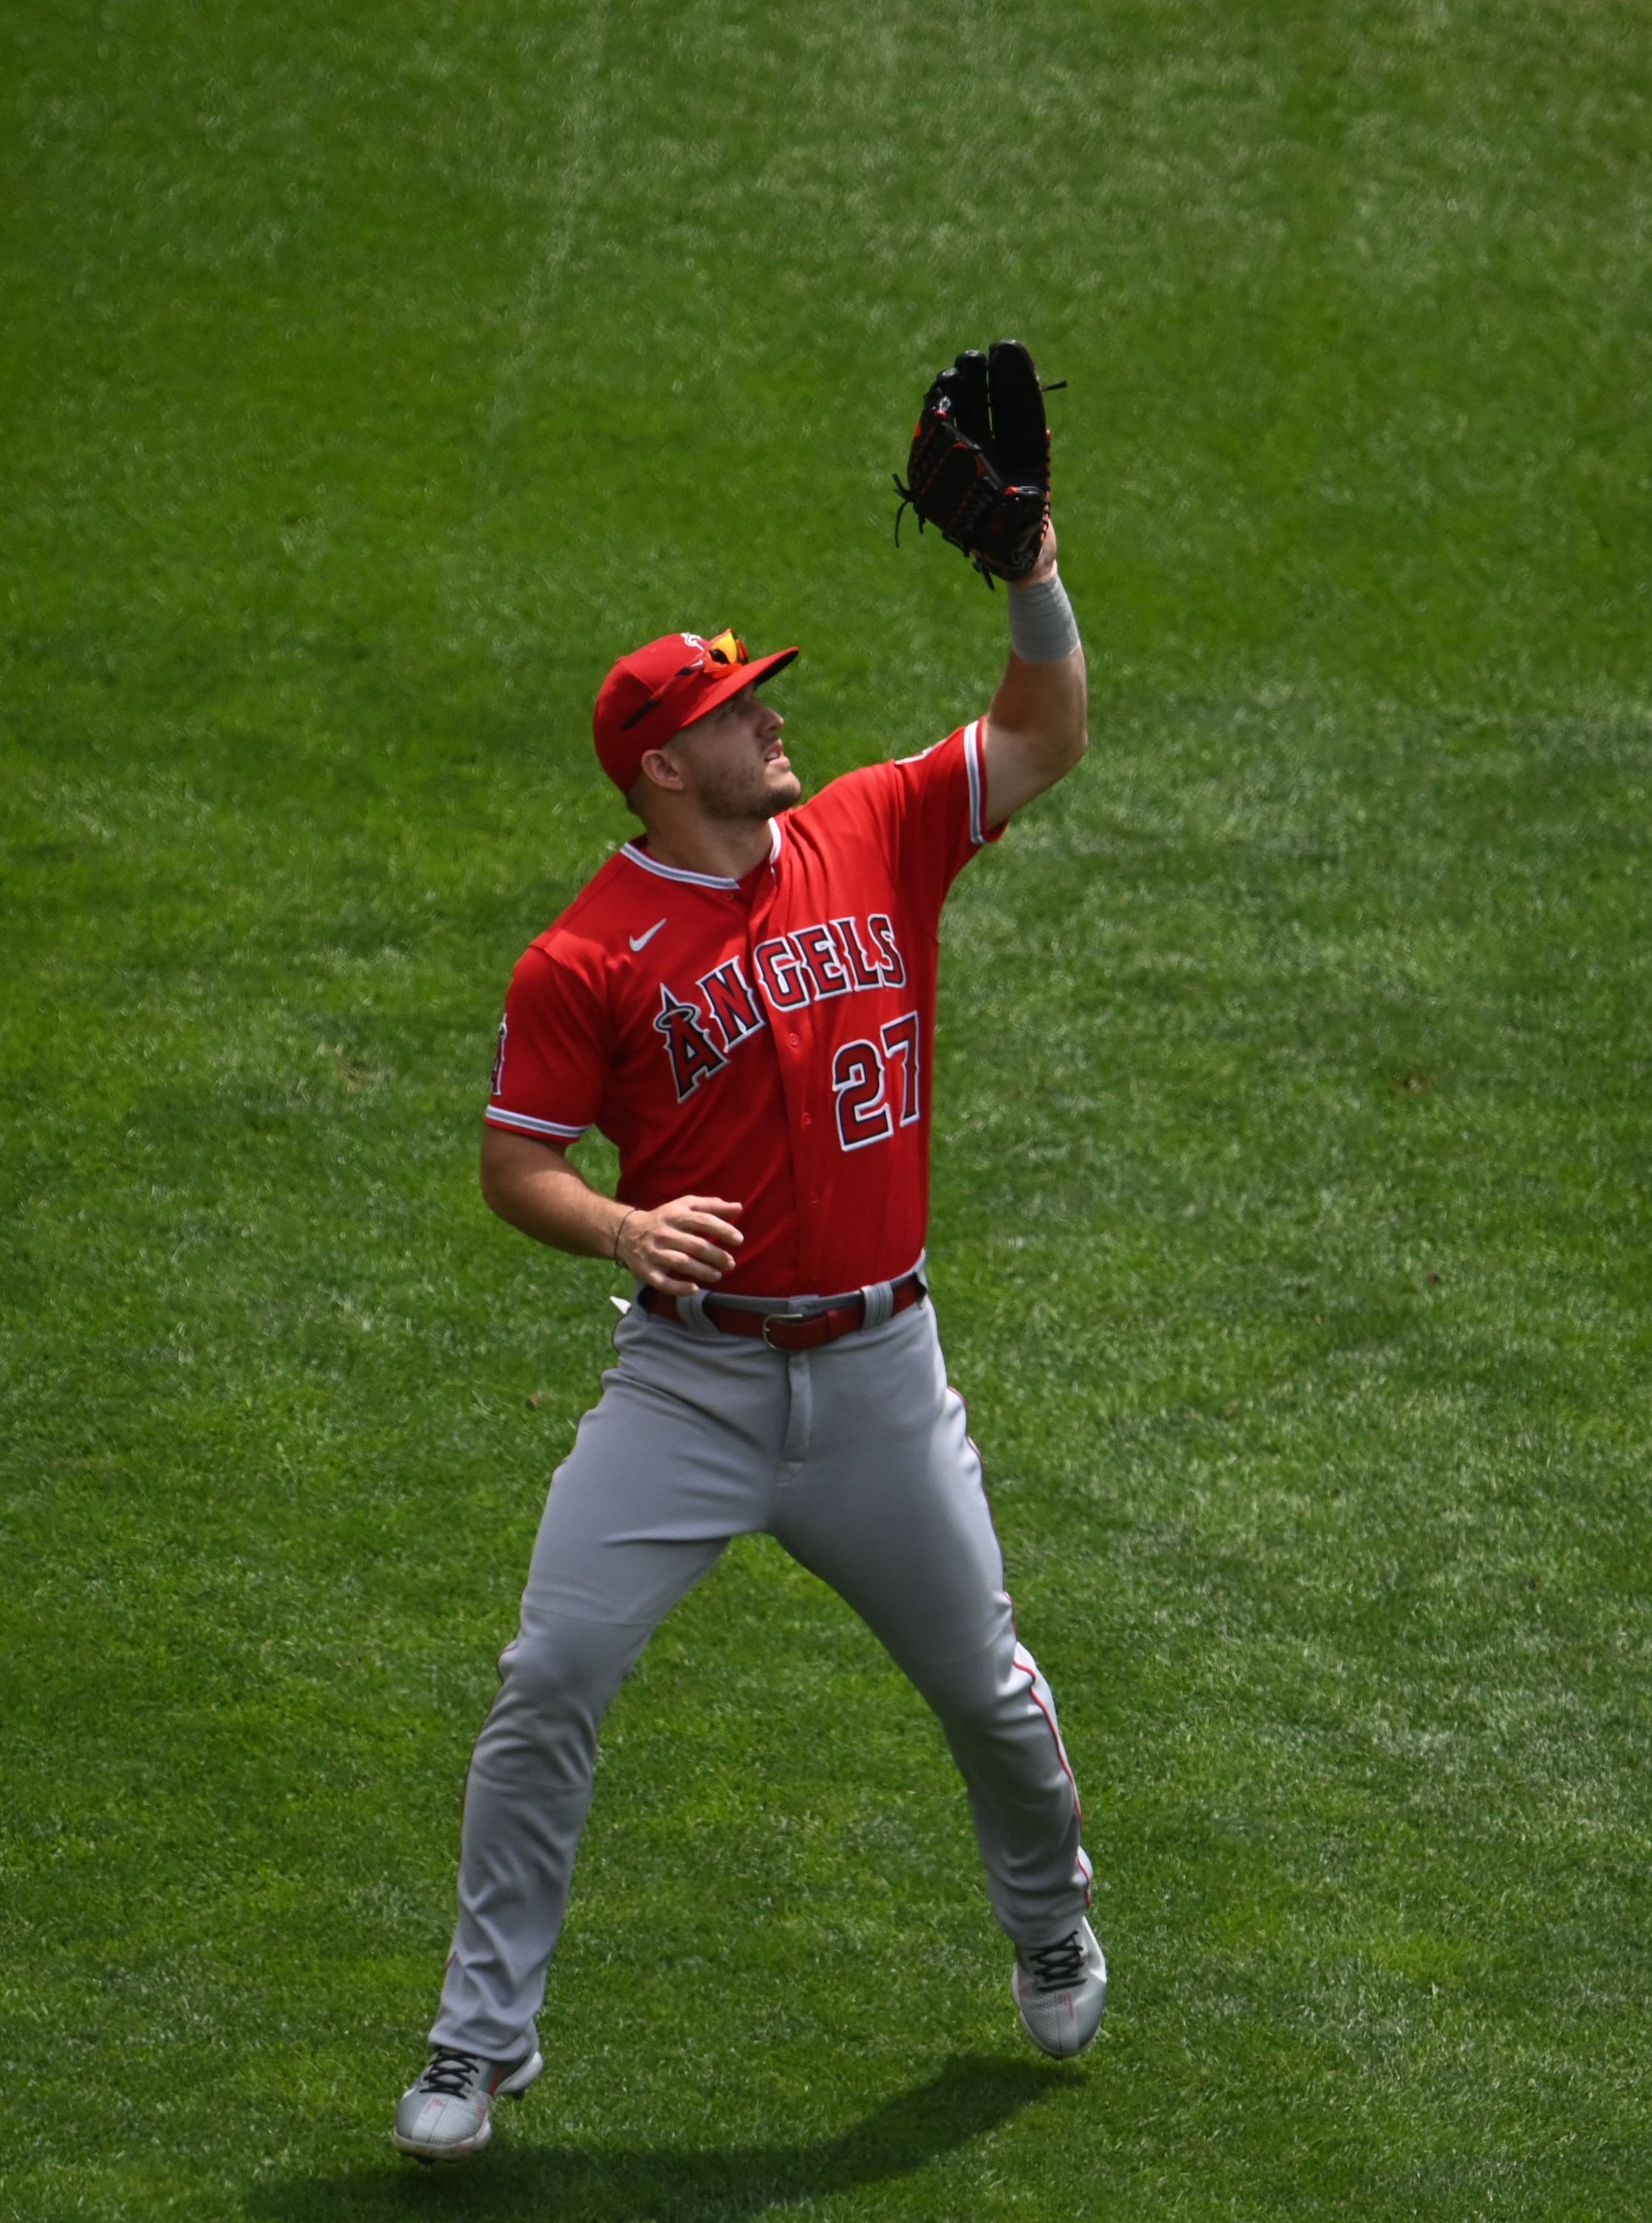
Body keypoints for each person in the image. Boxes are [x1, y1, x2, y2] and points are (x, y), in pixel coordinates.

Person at [391, 522, 1100, 2164]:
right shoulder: (580, 957)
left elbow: (1046, 730)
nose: (773, 719)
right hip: (691, 1386)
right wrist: (626, 1230)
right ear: (661, 766)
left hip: (878, 1380)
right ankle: (478, 2041)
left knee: (987, 1692)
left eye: (762, 699)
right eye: (735, 710)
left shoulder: (872, 826)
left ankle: (1049, 1922)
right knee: (548, 1673)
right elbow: (516, 1163)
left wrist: (1031, 571)